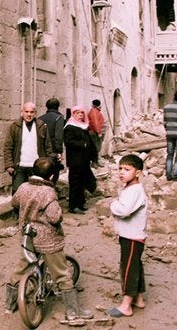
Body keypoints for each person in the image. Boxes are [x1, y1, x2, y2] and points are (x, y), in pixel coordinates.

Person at [4, 157, 93, 320]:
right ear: (51, 177)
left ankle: (9, 304)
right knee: (62, 274)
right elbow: (54, 217)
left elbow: (14, 203)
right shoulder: (48, 192)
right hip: (47, 240)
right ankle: (73, 311)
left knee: (21, 268)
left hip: (28, 237)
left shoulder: (24, 187)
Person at [106, 154, 148, 318]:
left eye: (127, 169)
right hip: (131, 235)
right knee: (135, 265)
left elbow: (124, 211)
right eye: (120, 169)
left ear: (137, 173)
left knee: (128, 269)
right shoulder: (131, 189)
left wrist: (112, 204)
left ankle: (126, 305)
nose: (122, 172)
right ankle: (138, 299)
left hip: (132, 237)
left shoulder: (135, 191)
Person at [3, 102, 53, 196]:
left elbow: (48, 147)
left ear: (35, 113)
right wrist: (9, 164)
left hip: (37, 168)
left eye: (31, 112)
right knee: (17, 193)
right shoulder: (15, 126)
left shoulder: (41, 126)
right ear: (22, 112)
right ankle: (17, 211)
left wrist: (49, 166)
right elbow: (8, 146)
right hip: (20, 167)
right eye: (26, 112)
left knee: (36, 195)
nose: (29, 114)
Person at [63, 105, 97, 214]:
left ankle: (80, 203)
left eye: (82, 113)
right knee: (75, 184)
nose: (80, 115)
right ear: (73, 114)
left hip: (84, 160)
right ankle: (73, 206)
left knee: (82, 183)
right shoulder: (70, 127)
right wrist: (82, 144)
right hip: (75, 161)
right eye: (77, 113)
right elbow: (68, 142)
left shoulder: (83, 126)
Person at [39, 97, 65, 183]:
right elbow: (58, 136)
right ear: (58, 107)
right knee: (53, 174)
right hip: (53, 150)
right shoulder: (59, 118)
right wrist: (59, 152)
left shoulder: (40, 118)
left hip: (41, 150)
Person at [163, 92, 177, 180]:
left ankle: (168, 175)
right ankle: (175, 175)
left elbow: (165, 122)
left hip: (169, 134)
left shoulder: (167, 107)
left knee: (169, 154)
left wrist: (168, 130)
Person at [87, 99, 105, 167]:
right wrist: (99, 132)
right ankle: (94, 163)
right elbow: (95, 123)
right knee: (95, 148)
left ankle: (96, 162)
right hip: (94, 132)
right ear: (98, 105)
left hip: (95, 132)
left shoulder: (95, 111)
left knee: (97, 148)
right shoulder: (94, 112)